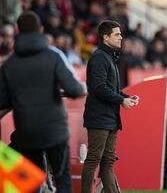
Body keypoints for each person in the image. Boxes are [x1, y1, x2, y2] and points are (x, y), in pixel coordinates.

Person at [0, 11, 86, 192]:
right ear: (40, 30)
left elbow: (3, 100)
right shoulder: (53, 56)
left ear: (17, 31)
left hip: (26, 131)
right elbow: (74, 89)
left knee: (32, 182)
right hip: (54, 130)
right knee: (62, 180)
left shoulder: (10, 64)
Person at [81, 20, 139, 193]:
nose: (121, 38)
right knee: (93, 160)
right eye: (117, 34)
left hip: (110, 117)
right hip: (99, 118)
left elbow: (111, 89)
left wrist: (126, 97)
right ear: (106, 38)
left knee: (108, 161)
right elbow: (99, 88)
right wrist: (121, 100)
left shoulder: (109, 56)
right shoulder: (99, 57)